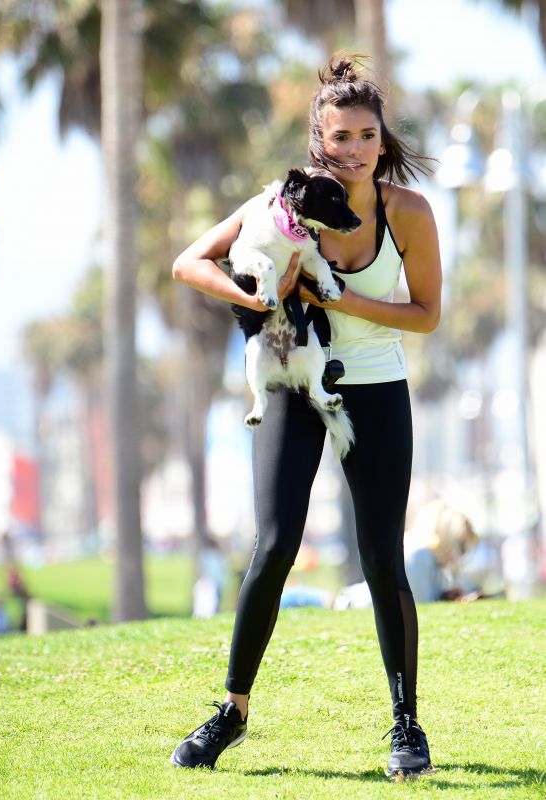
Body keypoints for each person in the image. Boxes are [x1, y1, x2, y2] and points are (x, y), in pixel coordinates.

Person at [170, 53, 442, 778]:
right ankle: (231, 712)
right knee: (273, 545)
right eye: (339, 137)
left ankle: (406, 725)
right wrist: (259, 300)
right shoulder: (283, 202)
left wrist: (337, 300)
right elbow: (189, 263)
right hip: (292, 379)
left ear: (382, 139)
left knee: (383, 555)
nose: (352, 150)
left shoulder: (408, 213)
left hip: (376, 383)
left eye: (364, 135)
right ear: (319, 141)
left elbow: (427, 314)